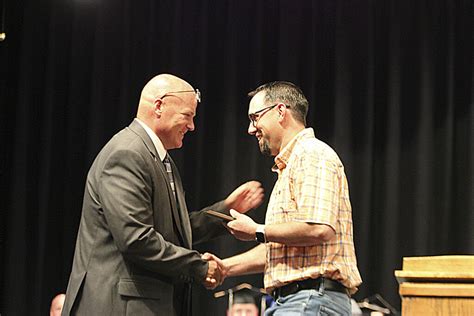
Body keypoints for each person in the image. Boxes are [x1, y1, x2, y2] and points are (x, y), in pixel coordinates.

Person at [61, 74, 264, 316]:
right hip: (118, 306)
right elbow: (136, 239)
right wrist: (200, 267)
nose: (191, 126)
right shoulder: (127, 154)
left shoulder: (159, 159)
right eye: (187, 116)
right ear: (159, 106)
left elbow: (169, 231)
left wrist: (225, 211)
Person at [204, 81, 362, 315]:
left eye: (255, 117)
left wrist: (257, 230)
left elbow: (319, 229)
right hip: (297, 301)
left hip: (311, 299)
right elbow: (280, 248)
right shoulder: (291, 166)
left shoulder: (312, 155)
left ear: (280, 111)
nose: (250, 128)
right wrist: (226, 267)